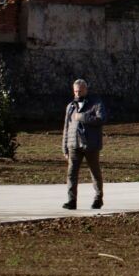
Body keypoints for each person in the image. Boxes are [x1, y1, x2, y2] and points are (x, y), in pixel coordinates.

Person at [61, 78, 107, 211]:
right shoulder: (70, 106)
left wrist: (83, 117)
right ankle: (71, 201)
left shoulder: (96, 103)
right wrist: (64, 147)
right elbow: (66, 127)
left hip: (91, 145)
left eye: (80, 91)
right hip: (74, 144)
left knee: (95, 172)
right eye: (75, 91)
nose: (78, 94)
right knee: (71, 173)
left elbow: (101, 119)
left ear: (86, 90)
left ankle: (98, 198)